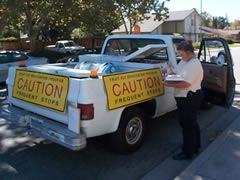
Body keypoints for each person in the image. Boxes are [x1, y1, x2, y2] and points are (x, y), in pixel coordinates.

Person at [162, 40, 203, 160]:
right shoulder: (185, 62)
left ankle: (187, 152)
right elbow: (177, 74)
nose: (180, 56)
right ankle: (195, 146)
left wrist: (168, 84)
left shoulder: (194, 64)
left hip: (190, 97)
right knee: (191, 123)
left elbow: (185, 83)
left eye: (182, 54)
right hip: (184, 98)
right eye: (179, 54)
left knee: (188, 126)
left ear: (189, 52)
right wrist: (168, 77)